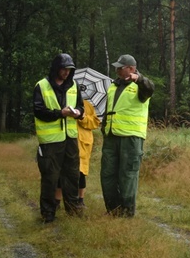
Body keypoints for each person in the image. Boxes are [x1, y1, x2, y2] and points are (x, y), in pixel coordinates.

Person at [100, 54, 154, 217]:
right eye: (116, 67)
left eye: (120, 67)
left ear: (131, 68)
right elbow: (109, 110)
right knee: (107, 174)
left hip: (131, 138)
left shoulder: (141, 86)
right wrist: (104, 128)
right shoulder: (113, 86)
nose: (117, 70)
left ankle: (127, 211)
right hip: (111, 137)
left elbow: (150, 88)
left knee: (127, 175)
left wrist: (139, 79)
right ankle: (113, 210)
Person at [33, 53, 85, 223]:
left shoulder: (74, 85)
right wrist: (59, 113)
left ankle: (73, 210)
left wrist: (78, 113)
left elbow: (81, 107)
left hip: (70, 139)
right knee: (50, 177)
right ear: (56, 68)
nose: (66, 73)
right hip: (50, 142)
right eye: (64, 69)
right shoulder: (41, 86)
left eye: (70, 70)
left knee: (72, 175)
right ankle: (48, 213)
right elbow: (38, 111)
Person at [54, 98, 100, 209]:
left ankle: (80, 201)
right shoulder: (61, 102)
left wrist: (81, 117)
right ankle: (56, 202)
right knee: (60, 172)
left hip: (82, 143)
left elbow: (94, 123)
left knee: (81, 173)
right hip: (64, 141)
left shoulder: (87, 105)